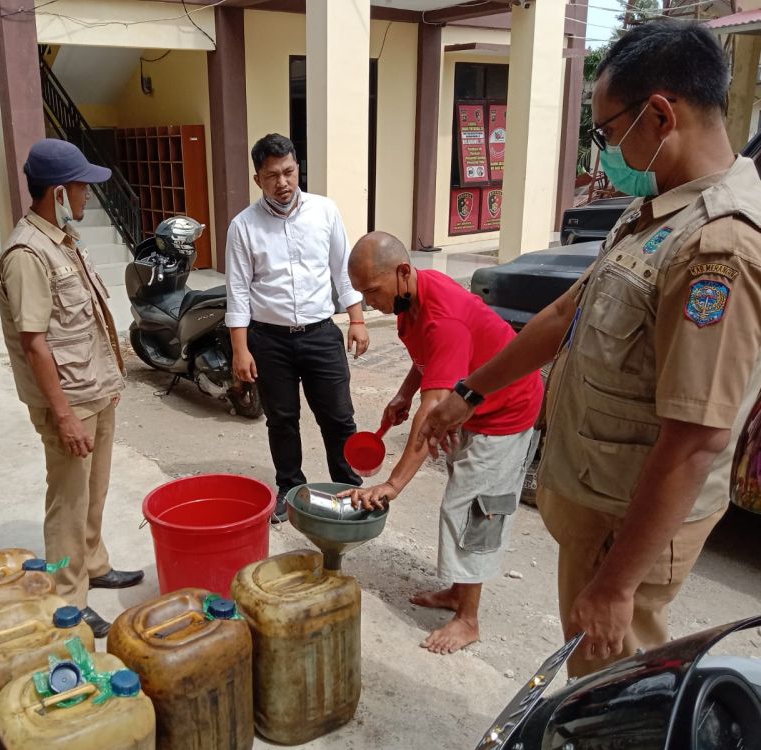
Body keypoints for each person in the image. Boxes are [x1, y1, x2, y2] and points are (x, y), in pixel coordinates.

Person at [419, 20, 761, 676]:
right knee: (588, 678)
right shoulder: (656, 211)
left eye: (606, 132)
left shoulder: (718, 248)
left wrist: (616, 586)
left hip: (626, 532)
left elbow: (695, 439)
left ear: (661, 115)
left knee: (615, 693)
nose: (604, 149)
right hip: (597, 509)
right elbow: (562, 314)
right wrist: (469, 392)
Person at [341, 232, 542, 653]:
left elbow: (431, 418)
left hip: (506, 409)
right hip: (469, 402)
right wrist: (403, 393)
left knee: (474, 507)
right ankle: (458, 591)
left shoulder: (442, 317)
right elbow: (427, 359)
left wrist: (392, 484)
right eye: (360, 293)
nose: (368, 301)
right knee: (462, 492)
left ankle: (468, 619)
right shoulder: (410, 298)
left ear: (401, 272)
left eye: (372, 291)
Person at [0, 138, 143, 637]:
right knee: (68, 501)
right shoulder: (27, 253)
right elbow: (35, 344)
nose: (88, 196)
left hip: (92, 390)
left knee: (93, 491)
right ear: (59, 192)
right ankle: (68, 597)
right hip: (68, 402)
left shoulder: (64, 239)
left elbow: (88, 320)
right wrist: (62, 414)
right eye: (82, 188)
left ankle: (94, 565)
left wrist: (109, 378)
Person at [225, 133, 370, 522]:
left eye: (288, 171)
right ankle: (289, 486)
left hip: (321, 334)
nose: (283, 183)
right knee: (282, 419)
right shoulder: (243, 227)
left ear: (297, 167)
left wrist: (356, 319)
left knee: (338, 417)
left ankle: (347, 486)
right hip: (269, 340)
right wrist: (241, 348)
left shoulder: (325, 211)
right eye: (272, 176)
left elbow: (343, 270)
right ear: (259, 179)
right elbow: (238, 291)